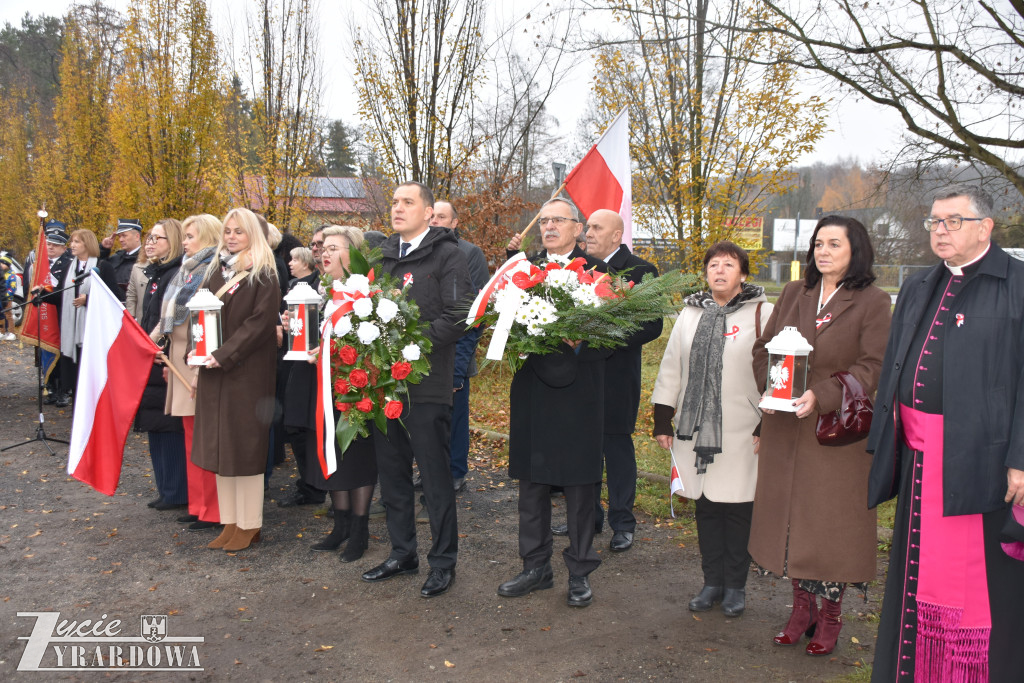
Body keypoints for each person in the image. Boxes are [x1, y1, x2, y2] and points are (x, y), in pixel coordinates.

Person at [867, 185, 1024, 681]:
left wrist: (1022, 456)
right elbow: (895, 366)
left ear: (985, 227)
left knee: (982, 581)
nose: (941, 230)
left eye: (954, 221)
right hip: (918, 460)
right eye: (935, 221)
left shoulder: (1018, 283)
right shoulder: (918, 285)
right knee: (913, 572)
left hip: (984, 462)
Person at [751, 215, 891, 656]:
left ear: (856, 251)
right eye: (818, 244)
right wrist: (774, 388)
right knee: (791, 523)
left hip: (834, 434)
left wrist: (821, 394)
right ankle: (801, 610)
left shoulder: (872, 301)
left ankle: (830, 616)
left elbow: (874, 366)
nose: (823, 251)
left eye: (834, 243)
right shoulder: (795, 292)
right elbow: (764, 347)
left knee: (829, 529)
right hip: (785, 429)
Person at [497, 197, 610, 608]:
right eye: (543, 221)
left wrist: (584, 340)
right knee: (533, 482)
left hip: (581, 393)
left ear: (577, 228)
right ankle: (535, 567)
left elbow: (630, 329)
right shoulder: (520, 271)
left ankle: (580, 571)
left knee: (580, 487)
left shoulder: (601, 274)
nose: (548, 227)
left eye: (557, 220)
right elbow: (499, 324)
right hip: (533, 391)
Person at [360, 181, 471, 599]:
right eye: (394, 202)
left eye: (408, 202)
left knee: (435, 478)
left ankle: (443, 562)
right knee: (392, 476)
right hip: (386, 385)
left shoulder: (449, 255)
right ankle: (402, 552)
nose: (398, 209)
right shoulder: (384, 258)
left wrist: (413, 344)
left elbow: (460, 315)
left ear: (429, 212)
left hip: (426, 386)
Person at [651, 241, 769, 617]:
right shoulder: (689, 313)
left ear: (743, 274)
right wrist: (661, 416)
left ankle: (735, 586)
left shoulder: (763, 313)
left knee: (736, 509)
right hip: (695, 429)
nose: (719, 271)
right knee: (705, 508)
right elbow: (672, 366)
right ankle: (711, 584)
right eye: (713, 265)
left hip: (743, 428)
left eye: (729, 265)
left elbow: (779, 371)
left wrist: (769, 423)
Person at [557, 208, 662, 552]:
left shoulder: (641, 270)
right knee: (582, 450)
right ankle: (588, 516)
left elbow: (652, 325)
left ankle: (623, 522)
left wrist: (604, 335)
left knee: (616, 451)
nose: (588, 233)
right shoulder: (578, 268)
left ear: (617, 235)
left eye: (597, 228)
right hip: (578, 377)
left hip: (616, 377)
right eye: (587, 227)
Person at [192, 207, 281, 553]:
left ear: (252, 236)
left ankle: (250, 524)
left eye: (239, 231)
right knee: (221, 449)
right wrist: (198, 351)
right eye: (227, 231)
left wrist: (223, 354)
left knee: (243, 450)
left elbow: (258, 326)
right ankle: (230, 522)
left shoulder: (263, 273)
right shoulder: (216, 270)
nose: (231, 236)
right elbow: (201, 313)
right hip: (215, 371)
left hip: (246, 373)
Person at [305, 226, 378, 562]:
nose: (325, 253)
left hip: (355, 390)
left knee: (357, 459)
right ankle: (341, 525)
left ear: (353, 254)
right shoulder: (326, 291)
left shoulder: (366, 293)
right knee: (333, 453)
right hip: (327, 389)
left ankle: (360, 531)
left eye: (334, 248)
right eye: (324, 247)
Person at [158, 214, 222, 530]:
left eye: (191, 236)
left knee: (202, 435)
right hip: (179, 356)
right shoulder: (185, 270)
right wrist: (155, 340)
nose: (184, 242)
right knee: (189, 434)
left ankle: (211, 508)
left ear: (209, 237)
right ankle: (198, 504)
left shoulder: (212, 270)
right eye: (184, 236)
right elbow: (170, 317)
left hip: (197, 359)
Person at [430, 200, 489, 493]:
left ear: (455, 223)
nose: (436, 221)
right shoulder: (419, 253)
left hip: (456, 353)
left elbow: (474, 313)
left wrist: (459, 366)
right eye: (433, 216)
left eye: (443, 217)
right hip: (424, 354)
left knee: (455, 418)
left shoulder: (469, 254)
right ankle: (430, 470)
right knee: (428, 421)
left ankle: (455, 470)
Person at [137, 219, 187, 512]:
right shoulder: (158, 272)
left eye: (159, 238)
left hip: (163, 356)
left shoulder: (175, 274)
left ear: (176, 242)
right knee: (155, 424)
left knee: (168, 425)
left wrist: (157, 345)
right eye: (150, 237)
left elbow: (170, 318)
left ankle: (176, 489)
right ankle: (166, 488)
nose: (151, 242)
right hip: (150, 354)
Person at [278, 245, 327, 509]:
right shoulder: (294, 286)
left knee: (309, 429)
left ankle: (315, 486)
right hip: (296, 363)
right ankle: (309, 484)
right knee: (297, 427)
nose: (320, 250)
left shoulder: (322, 285)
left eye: (296, 258)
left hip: (314, 366)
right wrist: (290, 325)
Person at [58, 229, 118, 405]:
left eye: (77, 242)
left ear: (87, 244)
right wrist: (41, 294)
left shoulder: (102, 266)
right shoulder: (69, 267)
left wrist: (89, 299)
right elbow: (62, 296)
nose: (72, 245)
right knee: (76, 380)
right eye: (72, 242)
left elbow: (113, 297)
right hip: (72, 333)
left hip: (92, 333)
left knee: (92, 378)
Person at [100, 218, 143, 301]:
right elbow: (100, 272)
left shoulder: (145, 259)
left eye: (124, 235)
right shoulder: (116, 258)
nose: (120, 240)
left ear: (137, 237)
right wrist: (104, 250)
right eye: (119, 236)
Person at [0, 255, 16, 340]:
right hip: (1, 298)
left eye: (3, 263)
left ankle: (11, 332)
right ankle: (2, 331)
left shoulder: (11, 275)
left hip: (7, 299)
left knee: (8, 315)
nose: (1, 265)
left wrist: (5, 296)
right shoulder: (1, 273)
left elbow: (13, 287)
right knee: (1, 316)